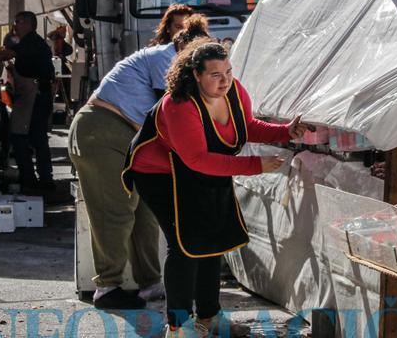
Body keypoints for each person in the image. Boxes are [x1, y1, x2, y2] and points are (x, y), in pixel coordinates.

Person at [121, 41, 308, 337]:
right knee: (183, 245)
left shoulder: (233, 91)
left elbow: (246, 126)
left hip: (197, 167)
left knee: (212, 240)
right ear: (195, 75)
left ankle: (209, 317)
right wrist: (256, 165)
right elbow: (196, 159)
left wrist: (285, 131)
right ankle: (179, 326)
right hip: (158, 172)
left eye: (228, 72)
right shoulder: (179, 103)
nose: (225, 80)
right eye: (215, 75)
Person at [68, 14, 208, 310]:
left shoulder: (178, 62)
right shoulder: (165, 58)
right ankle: (107, 288)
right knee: (115, 211)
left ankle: (150, 283)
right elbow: (170, 113)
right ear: (184, 47)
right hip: (102, 129)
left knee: (146, 211)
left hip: (131, 135)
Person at [0, 11, 55, 190]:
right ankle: (41, 179)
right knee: (35, 137)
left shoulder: (31, 41)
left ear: (30, 24)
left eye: (18, 22)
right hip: (35, 94)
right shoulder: (29, 42)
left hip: (35, 95)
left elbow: (4, 55)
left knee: (22, 137)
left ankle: (32, 180)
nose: (15, 25)